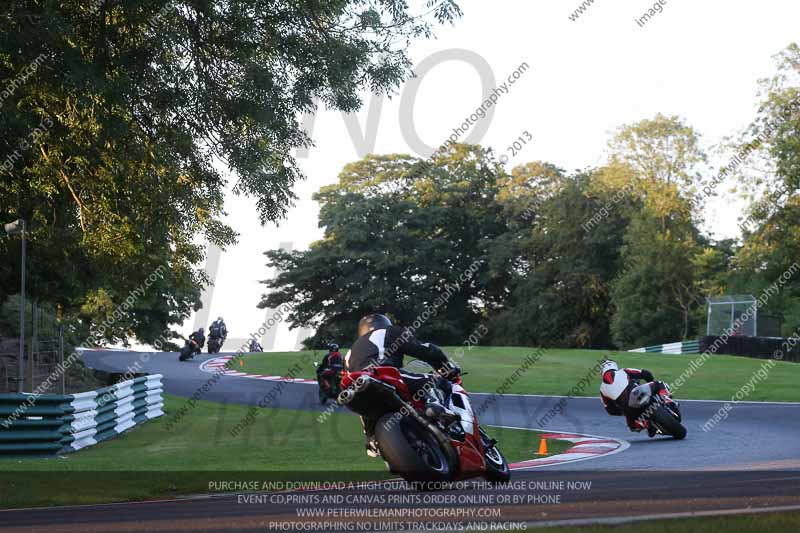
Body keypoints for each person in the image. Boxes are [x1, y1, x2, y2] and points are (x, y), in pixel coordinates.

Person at [345, 313, 459, 457]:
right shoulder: (387, 331)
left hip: (357, 391)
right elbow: (421, 349)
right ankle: (434, 406)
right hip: (382, 374)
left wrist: (369, 434)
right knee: (435, 380)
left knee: (362, 398)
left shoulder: (349, 353)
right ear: (385, 323)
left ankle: (372, 441)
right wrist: (444, 365)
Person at [599, 359, 663, 438]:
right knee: (659, 384)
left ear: (601, 372)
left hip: (629, 409)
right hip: (638, 394)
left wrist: (622, 411)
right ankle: (666, 399)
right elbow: (644, 373)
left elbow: (610, 410)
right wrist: (650, 380)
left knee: (633, 427)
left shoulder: (602, 389)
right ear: (614, 366)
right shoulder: (623, 371)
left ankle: (648, 425)